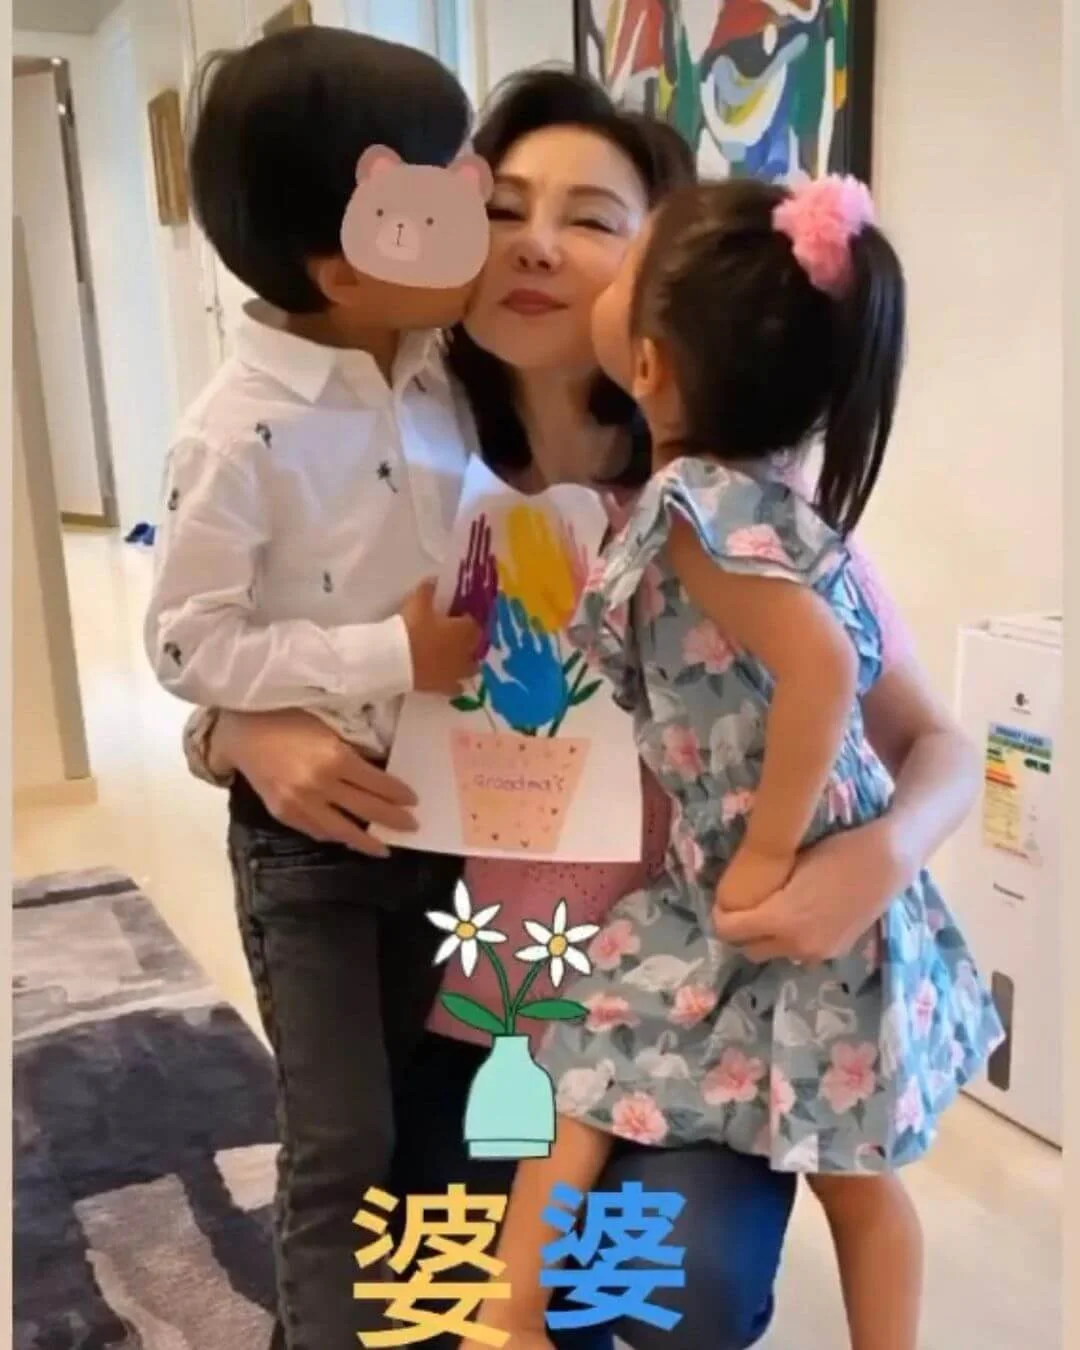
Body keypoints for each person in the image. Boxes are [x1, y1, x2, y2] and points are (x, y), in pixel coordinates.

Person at [184, 70, 982, 1350]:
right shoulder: (396, 473)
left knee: (677, 1284)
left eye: (595, 219)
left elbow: (930, 740)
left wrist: (876, 858)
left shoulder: (732, 509)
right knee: (413, 1282)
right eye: (500, 209)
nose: (537, 245)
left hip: (697, 1000)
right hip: (464, 998)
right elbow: (232, 636)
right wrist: (237, 730)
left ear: (662, 295)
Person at [466, 177, 1004, 1350]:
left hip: (773, 891)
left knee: (612, 1083)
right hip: (713, 899)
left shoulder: (696, 514)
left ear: (648, 365)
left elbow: (833, 673)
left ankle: (507, 1316)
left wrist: (785, 852)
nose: (559, 254)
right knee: (831, 1168)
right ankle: (510, 1314)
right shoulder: (755, 509)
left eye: (614, 238)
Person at [145, 28, 486, 1350]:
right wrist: (387, 655)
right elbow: (186, 645)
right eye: (452, 197)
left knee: (439, 1108)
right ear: (349, 264)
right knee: (341, 1140)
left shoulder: (446, 380)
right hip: (314, 846)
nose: (483, 214)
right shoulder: (237, 431)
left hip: (462, 822)